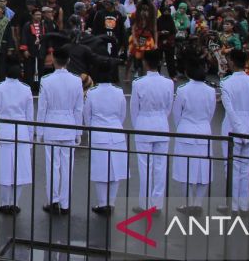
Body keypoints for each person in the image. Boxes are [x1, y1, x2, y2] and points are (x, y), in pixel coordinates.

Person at [37, 45, 83, 215]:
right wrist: (79, 131)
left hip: (51, 124)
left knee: (52, 166)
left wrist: (40, 130)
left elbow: (42, 108)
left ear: (53, 61)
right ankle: (65, 203)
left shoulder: (46, 80)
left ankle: (53, 200)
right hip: (69, 124)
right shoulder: (76, 80)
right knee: (67, 166)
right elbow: (79, 108)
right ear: (68, 61)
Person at [218, 48, 249, 215]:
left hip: (232, 127)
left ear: (232, 62)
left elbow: (230, 110)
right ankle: (243, 205)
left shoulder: (226, 83)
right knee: (246, 167)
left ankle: (234, 204)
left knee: (232, 167)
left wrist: (240, 131)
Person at [130, 49, 174, 213]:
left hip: (144, 124)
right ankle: (157, 204)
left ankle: (144, 203)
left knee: (144, 166)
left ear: (145, 63)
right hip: (162, 124)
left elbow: (134, 109)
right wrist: (161, 117)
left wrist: (138, 125)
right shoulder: (168, 83)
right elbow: (169, 107)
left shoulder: (138, 83)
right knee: (160, 166)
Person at [171, 59, 216, 216]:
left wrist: (181, 126)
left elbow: (176, 113)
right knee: (203, 170)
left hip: (186, 130)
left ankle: (189, 202)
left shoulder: (183, 90)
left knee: (185, 170)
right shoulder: (210, 91)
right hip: (204, 130)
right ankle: (198, 203)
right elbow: (211, 112)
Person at [84, 59, 128, 215]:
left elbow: (87, 115)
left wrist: (92, 129)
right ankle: (111, 202)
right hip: (116, 132)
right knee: (116, 170)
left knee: (100, 171)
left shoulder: (91, 93)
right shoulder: (119, 92)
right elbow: (122, 114)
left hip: (98, 133)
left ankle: (102, 203)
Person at [0, 60, 34, 214]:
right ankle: (14, 202)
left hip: (3, 129)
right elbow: (30, 116)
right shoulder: (26, 89)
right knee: (19, 168)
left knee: (3, 168)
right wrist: (30, 137)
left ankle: (4, 202)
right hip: (21, 130)